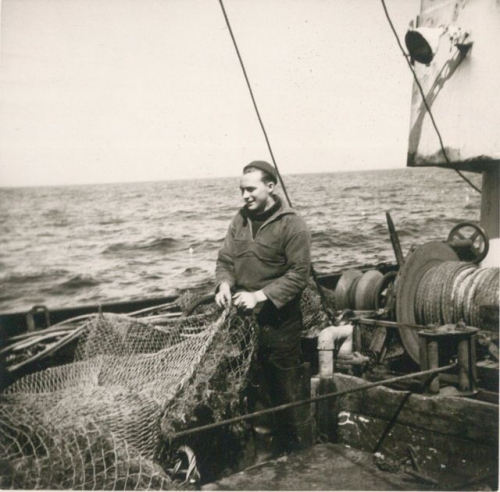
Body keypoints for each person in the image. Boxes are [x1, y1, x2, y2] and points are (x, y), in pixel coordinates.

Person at [215, 160, 312, 455]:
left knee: (288, 393)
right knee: (256, 394)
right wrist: (224, 285)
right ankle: (264, 460)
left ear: (270, 187)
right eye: (241, 190)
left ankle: (303, 457)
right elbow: (226, 261)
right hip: (245, 325)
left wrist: (259, 296)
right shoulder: (239, 220)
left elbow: (299, 275)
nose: (244, 196)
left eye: (250, 189)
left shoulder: (292, 224)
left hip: (280, 323)